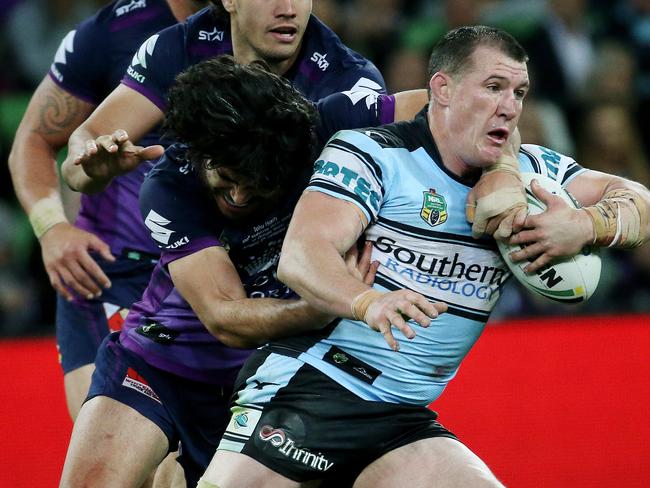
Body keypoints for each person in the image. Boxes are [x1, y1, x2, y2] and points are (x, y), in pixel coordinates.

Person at [199, 26, 650, 488]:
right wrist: (367, 301)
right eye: (493, 87)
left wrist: (588, 225)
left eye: (519, 92)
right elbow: (301, 255)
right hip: (314, 386)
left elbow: (637, 197)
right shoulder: (374, 153)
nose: (509, 106)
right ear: (443, 88)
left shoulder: (533, 173)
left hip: (401, 417)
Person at [58, 54, 408, 488]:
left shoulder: (322, 126)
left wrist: (504, 173)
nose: (239, 196)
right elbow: (225, 317)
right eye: (226, 177)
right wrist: (322, 306)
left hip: (273, 382)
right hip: (162, 363)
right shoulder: (170, 186)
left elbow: (449, 113)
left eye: (257, 184)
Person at [8, 0, 208, 422]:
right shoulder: (110, 34)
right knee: (112, 461)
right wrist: (51, 228)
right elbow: (33, 140)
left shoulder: (272, 36)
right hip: (113, 277)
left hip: (220, 279)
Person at [60, 0, 387, 194]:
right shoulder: (178, 48)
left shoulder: (350, 81)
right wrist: (95, 169)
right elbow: (81, 154)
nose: (288, 9)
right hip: (193, 252)